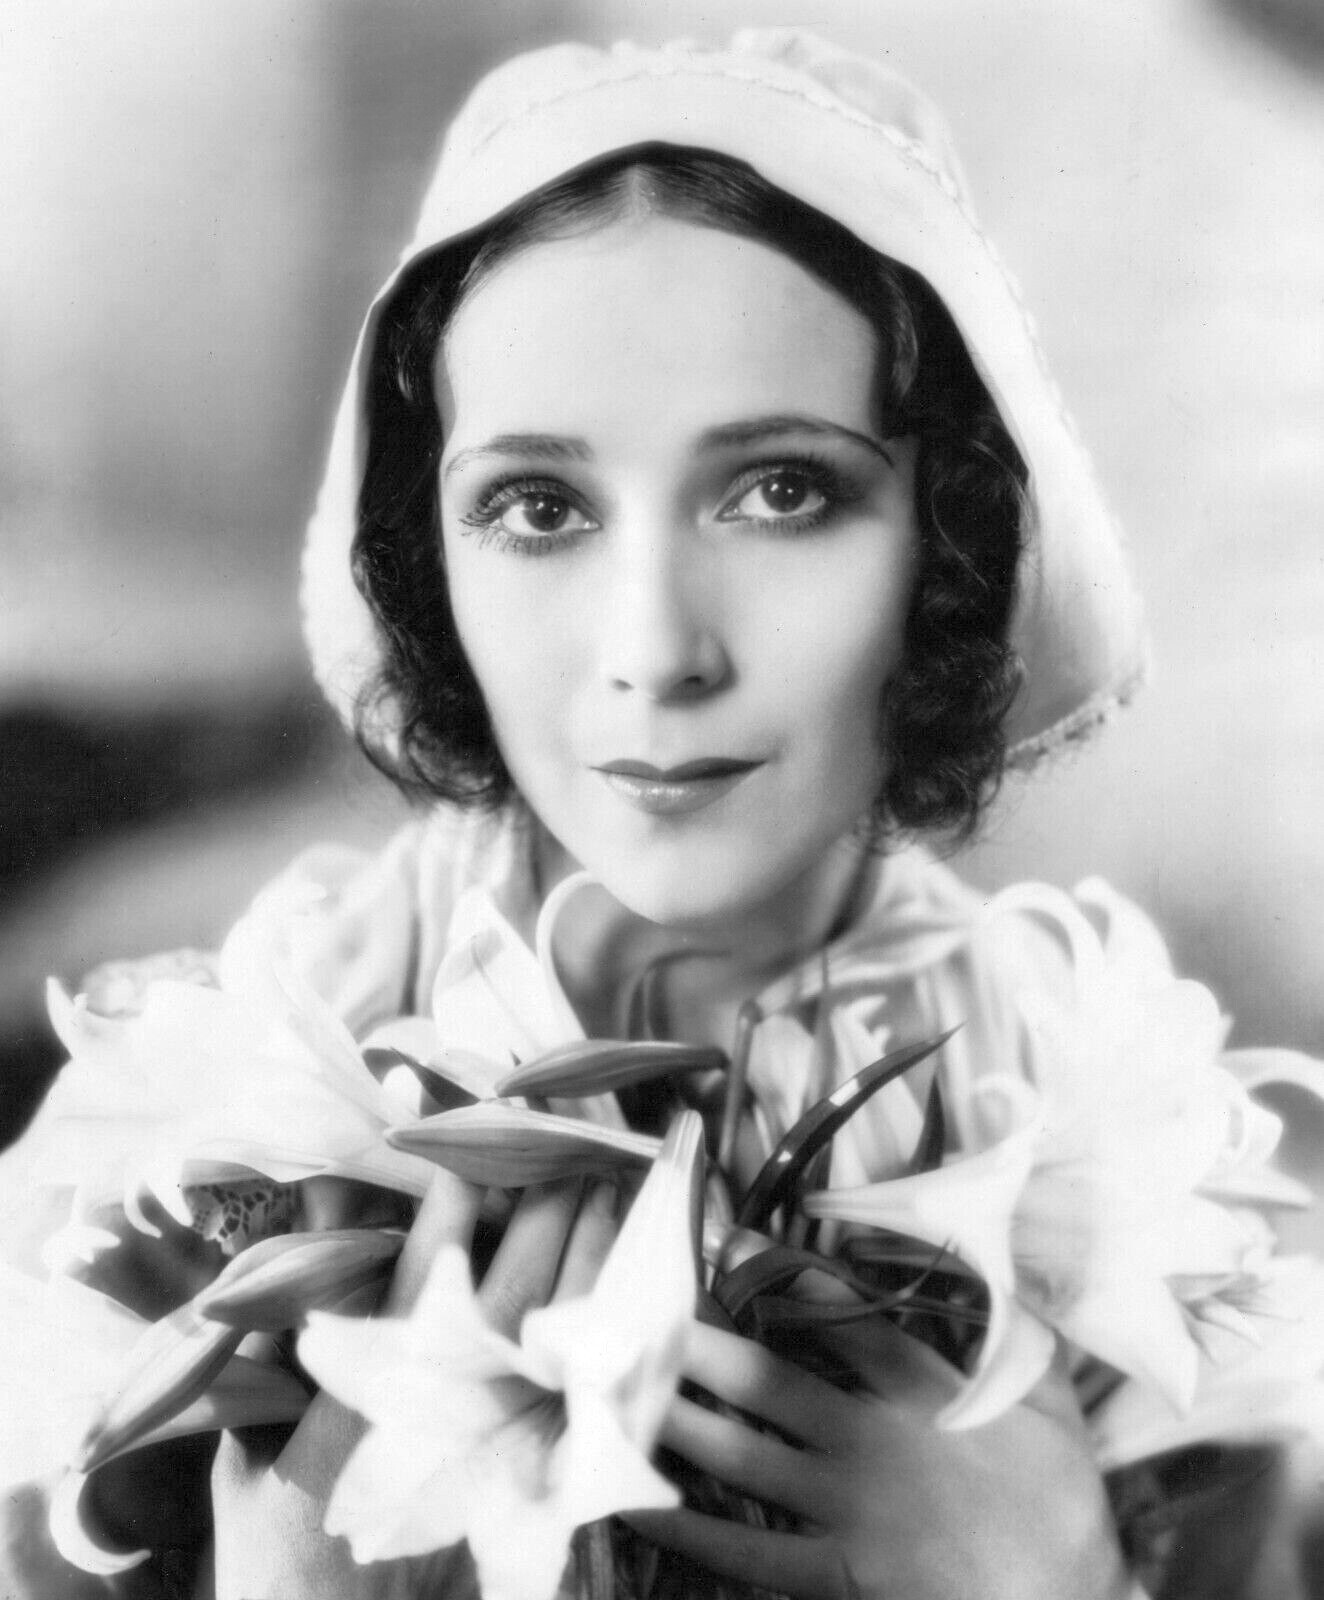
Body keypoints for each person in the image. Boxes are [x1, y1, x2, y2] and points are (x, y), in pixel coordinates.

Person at [1, 28, 1314, 1600]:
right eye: (538, 507)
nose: (655, 650)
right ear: (428, 565)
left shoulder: (1155, 1180)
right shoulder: (172, 1164)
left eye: (783, 492)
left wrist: (1060, 1576)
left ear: (945, 540)